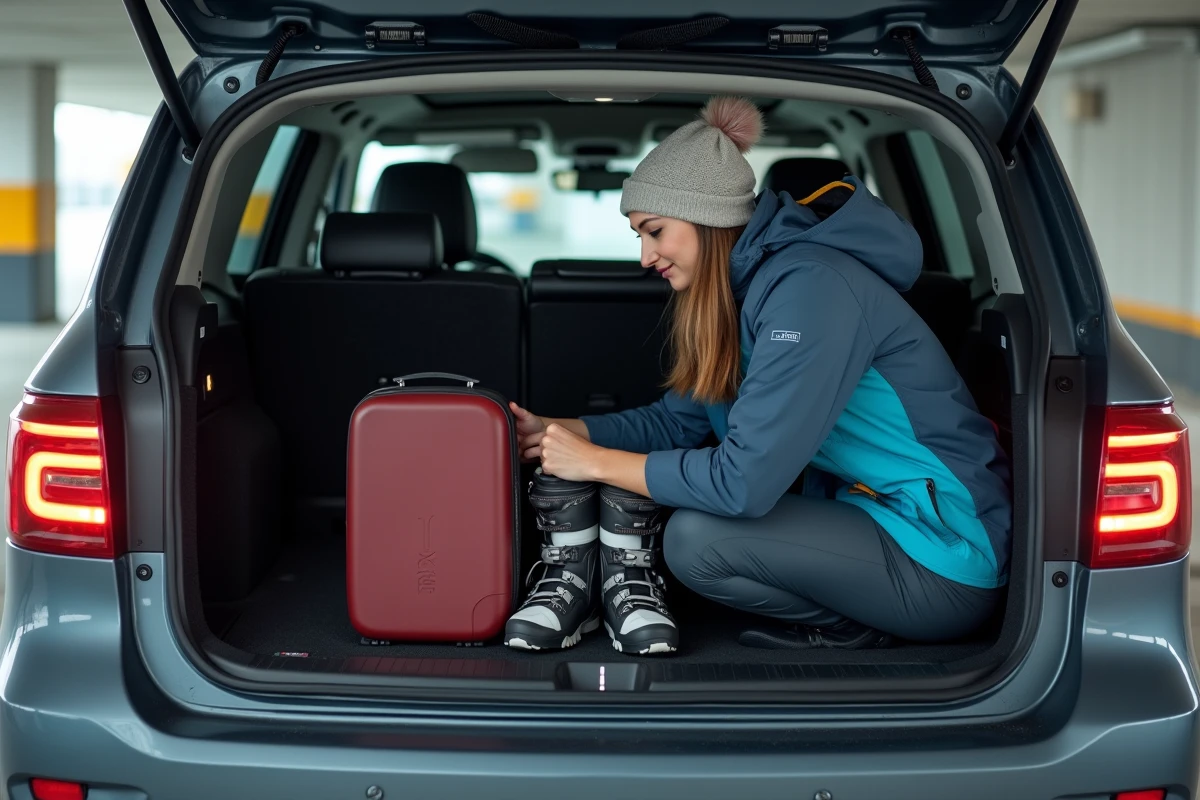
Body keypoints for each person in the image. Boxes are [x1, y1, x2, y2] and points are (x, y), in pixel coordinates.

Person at [504, 95, 1011, 654]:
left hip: (944, 553)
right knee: (695, 533)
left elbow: (742, 484)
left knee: (697, 539)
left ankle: (854, 627)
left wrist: (597, 464)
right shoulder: (738, 297)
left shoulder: (811, 290)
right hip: (871, 515)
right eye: (639, 237)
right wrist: (559, 431)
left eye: (654, 231)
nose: (645, 257)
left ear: (709, 218)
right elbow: (677, 424)